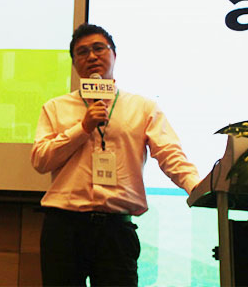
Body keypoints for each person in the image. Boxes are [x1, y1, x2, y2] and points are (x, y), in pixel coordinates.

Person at [30, 23, 201, 287]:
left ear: (114, 54)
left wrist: (196, 187)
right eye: (82, 52)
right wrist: (82, 128)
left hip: (116, 229)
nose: (91, 56)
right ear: (74, 63)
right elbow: (41, 160)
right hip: (64, 227)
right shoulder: (55, 107)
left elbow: (169, 153)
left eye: (99, 48)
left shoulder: (142, 107)